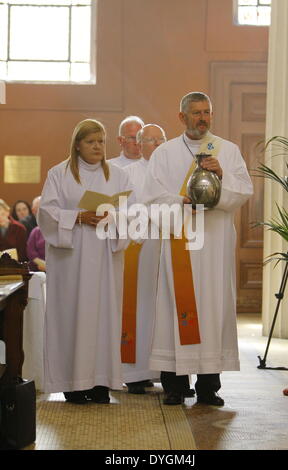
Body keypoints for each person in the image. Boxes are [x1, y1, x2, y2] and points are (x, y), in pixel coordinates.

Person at [141, 92, 253, 405]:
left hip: (214, 245)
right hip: (180, 242)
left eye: (207, 112)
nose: (202, 118)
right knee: (175, 307)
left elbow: (244, 190)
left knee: (212, 309)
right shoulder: (164, 154)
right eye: (196, 113)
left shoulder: (226, 151)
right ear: (182, 117)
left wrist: (222, 175)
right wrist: (183, 202)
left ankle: (208, 388)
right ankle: (174, 387)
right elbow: (150, 197)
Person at [38, 119, 134, 404]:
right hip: (71, 261)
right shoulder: (60, 173)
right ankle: (72, 384)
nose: (97, 147)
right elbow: (47, 213)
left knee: (104, 316)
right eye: (91, 141)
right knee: (71, 315)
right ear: (77, 144)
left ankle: (100, 382)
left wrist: (112, 216)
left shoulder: (118, 175)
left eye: (101, 141)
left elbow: (130, 212)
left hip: (105, 257)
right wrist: (78, 217)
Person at [121, 124, 166, 394]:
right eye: (152, 140)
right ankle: (135, 373)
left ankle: (163, 371)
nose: (158, 144)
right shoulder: (126, 175)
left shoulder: (172, 173)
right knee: (138, 310)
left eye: (162, 139)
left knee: (164, 309)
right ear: (139, 144)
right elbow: (120, 210)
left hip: (168, 248)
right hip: (138, 249)